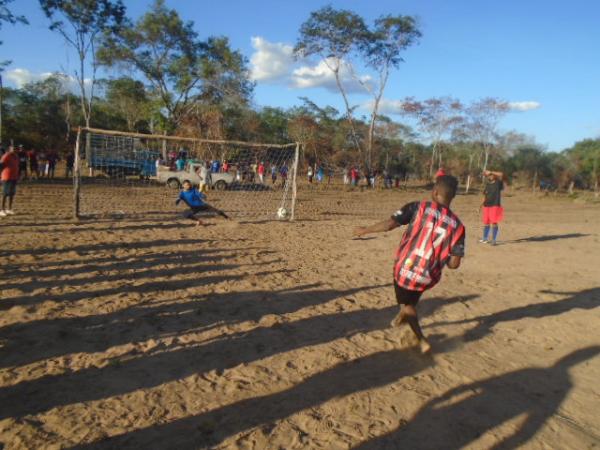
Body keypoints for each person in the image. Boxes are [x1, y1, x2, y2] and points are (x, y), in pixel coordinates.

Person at [353, 175, 466, 354]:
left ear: (434, 192)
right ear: (452, 196)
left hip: (405, 270)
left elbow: (389, 224)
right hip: (428, 277)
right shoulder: (459, 227)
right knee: (411, 299)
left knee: (407, 305)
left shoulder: (418, 207)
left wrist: (364, 230)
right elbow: (454, 264)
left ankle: (422, 340)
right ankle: (404, 314)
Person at [479, 169, 504, 245]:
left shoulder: (498, 183)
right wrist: (480, 206)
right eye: (489, 175)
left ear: (494, 175)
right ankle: (485, 238)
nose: (490, 176)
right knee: (486, 223)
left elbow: (501, 174)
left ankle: (494, 240)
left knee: (494, 222)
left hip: (495, 205)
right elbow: (484, 196)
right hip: (486, 206)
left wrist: (491, 172)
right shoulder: (487, 185)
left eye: (491, 175)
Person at [0, 145, 20, 216]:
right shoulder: (6, 156)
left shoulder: (16, 157)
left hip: (14, 177)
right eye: (13, 149)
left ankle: (9, 209)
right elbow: (1, 165)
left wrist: (18, 176)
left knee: (11, 194)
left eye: (16, 149)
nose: (15, 150)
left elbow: (17, 166)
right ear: (9, 149)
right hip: (6, 177)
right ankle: (2, 210)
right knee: (5, 194)